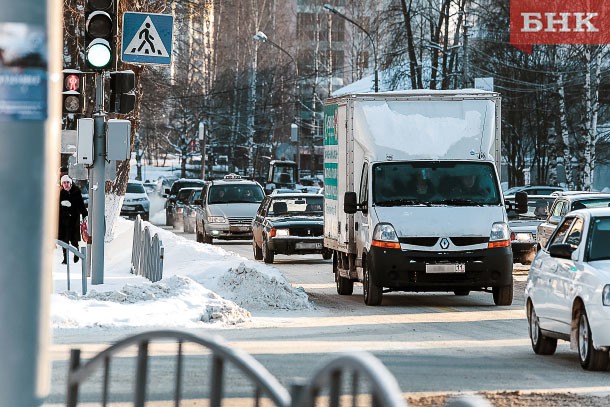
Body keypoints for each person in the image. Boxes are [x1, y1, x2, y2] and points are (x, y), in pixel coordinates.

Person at [58, 175, 88, 264]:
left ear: (70, 183)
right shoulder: (60, 193)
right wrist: (61, 204)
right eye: (64, 183)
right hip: (63, 220)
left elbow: (81, 205)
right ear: (62, 184)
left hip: (73, 220)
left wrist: (84, 214)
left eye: (67, 182)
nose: (66, 184)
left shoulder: (76, 192)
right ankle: (65, 258)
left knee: (74, 239)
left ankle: (76, 252)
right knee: (64, 240)